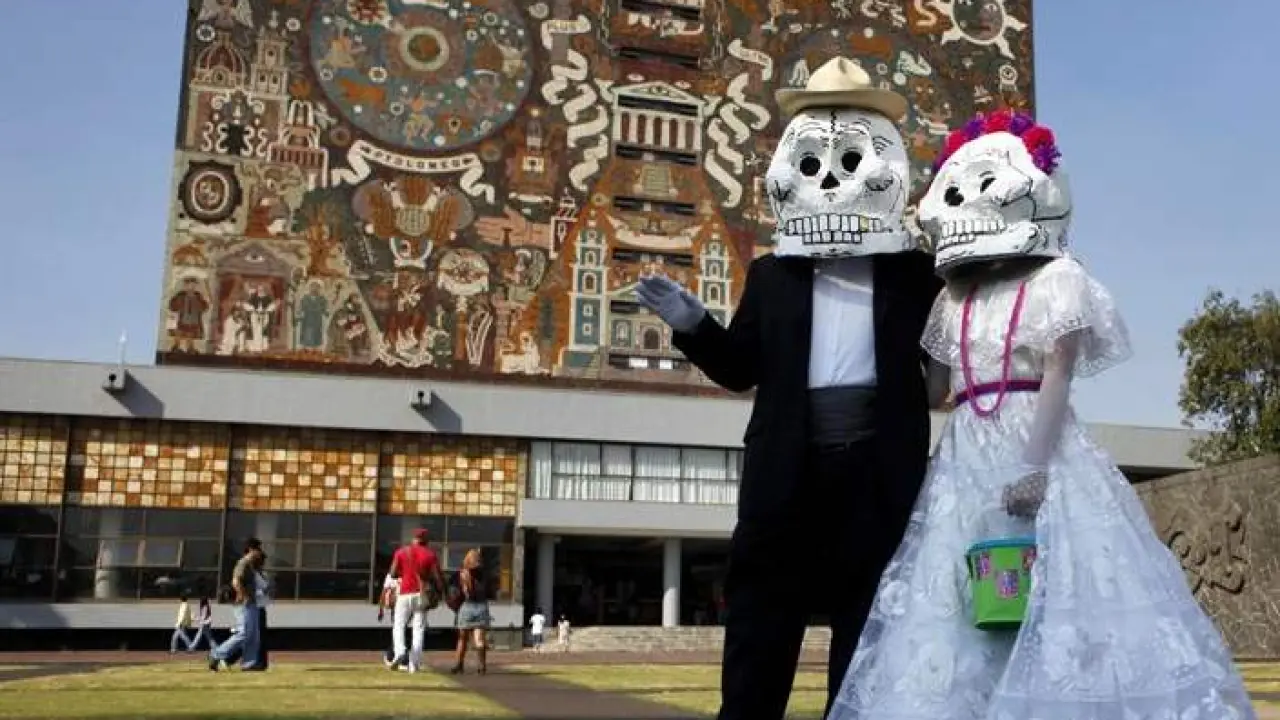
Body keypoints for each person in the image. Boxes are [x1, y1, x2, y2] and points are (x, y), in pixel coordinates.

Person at [828, 110, 1256, 719]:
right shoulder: (952, 299)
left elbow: (1058, 372)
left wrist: (1033, 466)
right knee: (966, 592)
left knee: (1058, 582)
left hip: (1036, 437)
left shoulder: (1059, 279)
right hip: (965, 452)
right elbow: (935, 390)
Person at [635, 57, 940, 720]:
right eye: (811, 165)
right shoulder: (773, 276)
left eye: (849, 162)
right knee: (761, 624)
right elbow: (739, 369)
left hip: (877, 471)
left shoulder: (916, 276)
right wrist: (693, 325)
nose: (829, 180)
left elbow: (946, 358)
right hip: (785, 471)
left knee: (869, 627)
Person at [388, 528, 445, 674]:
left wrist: (405, 572)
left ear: (413, 538)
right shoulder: (430, 555)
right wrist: (440, 592)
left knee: (399, 625)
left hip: (404, 594)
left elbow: (393, 573)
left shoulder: (401, 552)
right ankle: (414, 664)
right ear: (426, 540)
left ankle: (400, 651)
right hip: (421, 594)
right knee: (418, 629)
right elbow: (438, 578)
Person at [209, 538, 269, 672]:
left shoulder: (251, 565)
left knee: (253, 636)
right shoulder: (243, 563)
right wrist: (243, 595)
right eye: (258, 549)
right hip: (244, 604)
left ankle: (249, 663)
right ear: (251, 550)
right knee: (244, 633)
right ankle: (216, 654)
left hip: (252, 603)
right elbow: (236, 581)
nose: (260, 552)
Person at [450, 549, 491, 675]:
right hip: (482, 606)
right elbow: (490, 591)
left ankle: (459, 664)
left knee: (462, 638)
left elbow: (454, 592)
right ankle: (481, 666)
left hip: (466, 606)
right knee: (479, 639)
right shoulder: (485, 574)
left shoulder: (460, 574)